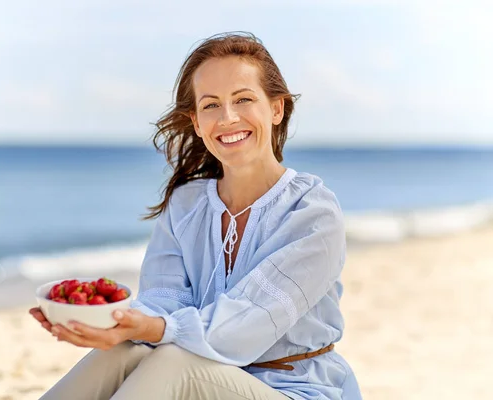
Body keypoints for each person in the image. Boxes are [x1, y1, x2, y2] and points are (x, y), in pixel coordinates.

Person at [29, 32, 362, 400]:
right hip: (204, 377)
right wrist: (111, 324)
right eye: (211, 105)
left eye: (243, 99)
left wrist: (154, 328)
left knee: (171, 359)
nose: (228, 117)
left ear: (277, 108)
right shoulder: (186, 204)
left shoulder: (312, 212)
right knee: (123, 351)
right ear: (197, 121)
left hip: (296, 390)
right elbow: (162, 303)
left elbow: (250, 319)